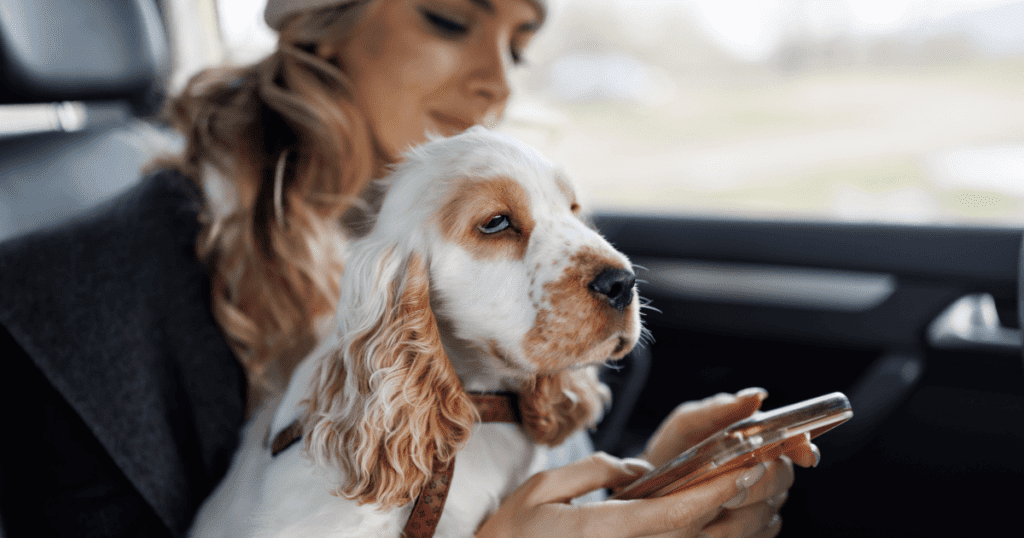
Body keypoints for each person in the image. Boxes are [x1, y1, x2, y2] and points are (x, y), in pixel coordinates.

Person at [0, 0, 819, 536]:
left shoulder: (500, 248)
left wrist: (640, 490)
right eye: (451, 19)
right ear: (321, 19)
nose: (496, 80)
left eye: (521, 45)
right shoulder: (74, 305)